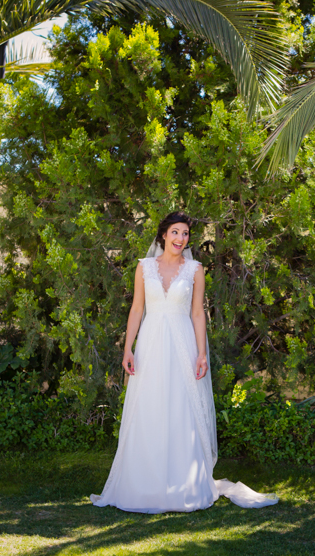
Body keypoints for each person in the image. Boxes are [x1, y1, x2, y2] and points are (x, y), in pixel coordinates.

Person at [91, 212, 277, 513]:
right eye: (175, 232)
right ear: (163, 234)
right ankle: (143, 485)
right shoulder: (144, 268)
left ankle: (184, 485)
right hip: (150, 344)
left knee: (181, 409)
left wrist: (201, 353)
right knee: (149, 407)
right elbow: (137, 310)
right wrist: (128, 349)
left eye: (186, 233)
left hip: (182, 344)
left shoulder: (195, 269)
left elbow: (198, 314)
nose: (181, 239)